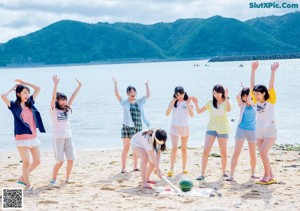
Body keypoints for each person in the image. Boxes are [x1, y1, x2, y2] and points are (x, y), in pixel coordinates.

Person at [1, 80, 45, 193]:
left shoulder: (31, 102)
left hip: (33, 137)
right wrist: (12, 88)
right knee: (26, 161)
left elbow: (38, 88)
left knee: (37, 161)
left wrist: (25, 82)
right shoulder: (14, 106)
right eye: (24, 92)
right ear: (19, 94)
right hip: (21, 138)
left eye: (28, 93)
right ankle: (28, 185)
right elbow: (2, 96)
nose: (27, 95)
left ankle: (22, 178)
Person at [192, 84, 231, 181]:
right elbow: (199, 111)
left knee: (223, 153)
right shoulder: (210, 103)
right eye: (214, 93)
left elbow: (229, 109)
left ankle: (224, 172)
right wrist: (196, 104)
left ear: (222, 93)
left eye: (218, 93)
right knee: (206, 151)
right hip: (211, 129)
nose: (216, 95)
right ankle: (202, 174)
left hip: (223, 130)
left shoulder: (226, 102)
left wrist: (226, 97)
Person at [49, 75, 82, 187]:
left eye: (65, 100)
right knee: (60, 161)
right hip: (58, 137)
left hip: (68, 136)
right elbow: (53, 98)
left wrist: (79, 85)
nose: (64, 102)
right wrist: (55, 85)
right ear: (57, 101)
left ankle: (67, 179)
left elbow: (73, 96)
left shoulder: (67, 109)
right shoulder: (53, 109)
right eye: (61, 100)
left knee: (71, 159)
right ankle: (53, 179)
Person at [250, 61, 279, 185]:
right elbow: (251, 86)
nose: (256, 95)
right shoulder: (256, 101)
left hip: (270, 129)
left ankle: (266, 174)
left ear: (264, 93)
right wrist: (253, 70)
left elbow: (271, 86)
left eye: (258, 94)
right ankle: (271, 175)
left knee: (263, 152)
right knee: (262, 153)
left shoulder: (270, 100)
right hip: (259, 130)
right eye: (255, 94)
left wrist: (272, 72)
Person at [113, 78, 150, 173]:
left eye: (134, 91)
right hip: (126, 127)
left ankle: (135, 167)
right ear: (127, 94)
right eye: (130, 92)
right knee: (126, 147)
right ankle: (123, 167)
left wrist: (146, 85)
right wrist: (116, 84)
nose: (132, 93)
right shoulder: (124, 102)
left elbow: (148, 95)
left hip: (137, 127)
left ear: (136, 93)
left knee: (136, 148)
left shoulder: (139, 102)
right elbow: (117, 95)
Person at [226, 87, 259, 181]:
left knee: (253, 154)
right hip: (241, 129)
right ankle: (231, 175)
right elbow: (237, 96)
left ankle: (253, 173)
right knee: (236, 152)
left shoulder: (255, 104)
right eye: (243, 96)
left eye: (246, 96)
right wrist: (243, 90)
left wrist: (250, 93)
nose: (245, 98)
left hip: (252, 131)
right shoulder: (242, 105)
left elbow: (253, 100)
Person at [165, 86, 193, 176]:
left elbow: (192, 114)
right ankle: (171, 168)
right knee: (174, 148)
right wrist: (172, 103)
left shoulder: (187, 101)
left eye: (181, 94)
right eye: (177, 95)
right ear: (175, 95)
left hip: (185, 127)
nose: (180, 96)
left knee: (184, 149)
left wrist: (188, 104)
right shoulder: (173, 102)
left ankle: (184, 168)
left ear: (184, 93)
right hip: (174, 127)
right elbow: (167, 113)